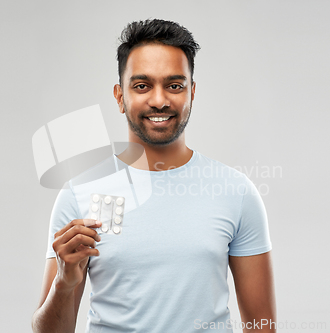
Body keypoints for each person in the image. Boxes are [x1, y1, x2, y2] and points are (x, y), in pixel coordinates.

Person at [32, 19, 276, 333]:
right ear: (120, 96)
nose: (159, 100)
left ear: (192, 92)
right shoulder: (78, 193)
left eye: (174, 85)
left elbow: (262, 325)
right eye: (142, 85)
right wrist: (64, 283)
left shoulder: (236, 192)